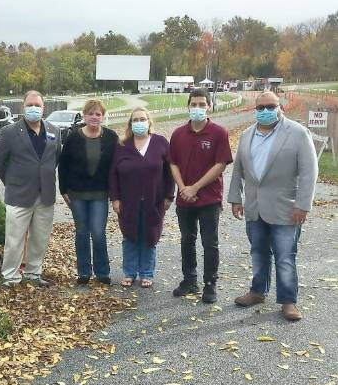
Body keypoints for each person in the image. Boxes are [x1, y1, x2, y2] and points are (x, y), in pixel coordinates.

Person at [227, 91, 318, 321]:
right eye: (261, 107)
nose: (265, 111)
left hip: (286, 208)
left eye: (271, 106)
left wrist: (303, 205)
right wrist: (235, 198)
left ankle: (288, 301)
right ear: (255, 109)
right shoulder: (247, 135)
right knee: (258, 252)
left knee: (285, 256)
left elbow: (309, 172)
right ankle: (258, 291)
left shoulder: (297, 133)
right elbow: (238, 169)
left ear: (280, 107)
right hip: (255, 207)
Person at [0, 90, 61, 287]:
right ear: (23, 107)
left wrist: (42, 178)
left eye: (37, 105)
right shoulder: (10, 132)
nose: (34, 109)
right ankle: (10, 276)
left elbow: (54, 159)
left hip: (45, 195)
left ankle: (33, 273)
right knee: (14, 239)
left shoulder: (54, 131)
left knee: (40, 238)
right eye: (30, 105)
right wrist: (12, 181)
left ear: (43, 108)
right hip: (18, 195)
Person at [169, 88, 232, 303]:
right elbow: (173, 163)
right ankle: (190, 280)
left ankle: (210, 284)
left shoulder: (219, 133)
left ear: (209, 106)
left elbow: (220, 164)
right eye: (193, 104)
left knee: (209, 242)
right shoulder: (178, 134)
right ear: (188, 106)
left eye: (201, 104)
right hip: (184, 199)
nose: (197, 108)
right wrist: (183, 188)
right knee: (187, 240)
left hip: (209, 199)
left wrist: (194, 188)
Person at [109, 108, 174, 288]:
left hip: (154, 200)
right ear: (130, 124)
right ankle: (129, 272)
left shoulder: (160, 143)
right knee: (129, 235)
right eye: (135, 120)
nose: (139, 122)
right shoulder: (122, 146)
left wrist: (169, 195)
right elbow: (113, 173)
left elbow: (170, 171)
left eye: (142, 119)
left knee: (149, 235)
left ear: (149, 122)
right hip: (128, 200)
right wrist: (115, 198)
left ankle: (147, 272)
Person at [58, 99, 118, 285]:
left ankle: (102, 272)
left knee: (98, 233)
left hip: (100, 193)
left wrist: (116, 191)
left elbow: (117, 166)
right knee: (82, 232)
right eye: (90, 113)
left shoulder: (111, 137)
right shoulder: (73, 138)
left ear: (103, 117)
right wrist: (63, 190)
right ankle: (84, 272)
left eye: (98, 114)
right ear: (84, 116)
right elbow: (63, 165)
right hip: (77, 194)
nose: (94, 117)